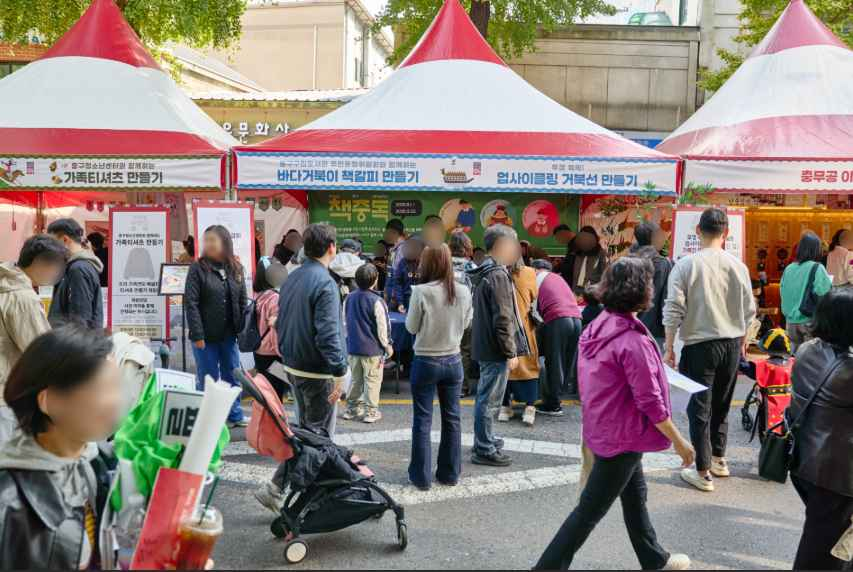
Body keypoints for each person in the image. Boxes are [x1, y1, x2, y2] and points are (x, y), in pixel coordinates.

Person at [534, 257, 693, 571]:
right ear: (643, 290)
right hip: (623, 435)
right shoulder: (633, 340)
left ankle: (654, 559)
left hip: (604, 429)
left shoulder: (598, 325)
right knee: (588, 513)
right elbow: (651, 401)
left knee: (635, 495)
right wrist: (679, 441)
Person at [0, 325, 120, 569]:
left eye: (116, 386)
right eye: (100, 389)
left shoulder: (100, 465)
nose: (114, 401)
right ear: (49, 401)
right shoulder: (7, 500)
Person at [662, 208, 756, 492]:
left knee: (699, 408)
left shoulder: (686, 265)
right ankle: (718, 459)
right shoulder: (738, 266)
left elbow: (673, 309)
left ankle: (702, 472)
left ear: (698, 232)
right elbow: (749, 310)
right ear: (725, 233)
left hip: (699, 344)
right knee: (722, 403)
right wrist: (743, 343)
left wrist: (669, 347)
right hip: (731, 343)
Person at [787, 288, 853, 570]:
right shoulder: (847, 371)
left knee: (827, 537)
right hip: (835, 474)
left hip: (805, 462)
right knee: (819, 550)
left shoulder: (807, 350)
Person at [405, 244, 472, 490]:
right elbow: (466, 324)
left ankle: (421, 477)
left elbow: (411, 328)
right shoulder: (463, 290)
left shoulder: (421, 291)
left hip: (425, 359)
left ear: (427, 263)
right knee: (452, 418)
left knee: (422, 419)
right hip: (453, 360)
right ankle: (449, 474)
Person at [277, 223, 348, 436]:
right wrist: (339, 372)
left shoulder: (291, 277)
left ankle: (302, 468)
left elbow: (280, 320)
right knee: (319, 438)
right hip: (317, 371)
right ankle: (311, 470)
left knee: (305, 431)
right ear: (331, 248)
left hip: (292, 364)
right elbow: (327, 334)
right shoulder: (326, 283)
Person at [468, 225, 528, 467]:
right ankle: (484, 448)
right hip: (495, 348)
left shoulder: (486, 271)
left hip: (485, 345)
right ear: (500, 246)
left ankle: (485, 439)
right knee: (490, 399)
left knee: (486, 397)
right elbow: (503, 318)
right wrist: (510, 351)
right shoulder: (498, 275)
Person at [0, 235, 67, 444]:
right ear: (39, 262)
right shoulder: (23, 297)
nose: (57, 275)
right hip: (7, 396)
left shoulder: (6, 284)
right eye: (56, 268)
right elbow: (41, 351)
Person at [184, 225, 248, 428]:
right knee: (208, 377)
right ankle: (210, 419)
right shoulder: (197, 268)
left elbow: (242, 300)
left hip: (229, 334)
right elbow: (191, 303)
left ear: (225, 242)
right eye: (206, 240)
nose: (209, 244)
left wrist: (242, 329)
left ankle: (235, 414)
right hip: (205, 336)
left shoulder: (235, 268)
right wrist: (197, 334)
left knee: (232, 373)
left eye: (213, 240)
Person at [531, 259, 582, 417]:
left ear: (535, 269)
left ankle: (552, 404)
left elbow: (532, 310)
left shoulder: (536, 278)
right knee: (566, 361)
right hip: (577, 319)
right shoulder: (558, 278)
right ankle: (557, 397)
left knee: (554, 360)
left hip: (558, 319)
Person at [343, 263, 393, 424]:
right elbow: (383, 327)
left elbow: (345, 322)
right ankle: (371, 411)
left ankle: (351, 409)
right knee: (372, 380)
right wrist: (387, 345)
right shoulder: (377, 300)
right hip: (372, 350)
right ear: (375, 280)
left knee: (356, 379)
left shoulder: (348, 298)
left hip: (353, 347)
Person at [501, 256, 540, 427]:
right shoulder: (530, 273)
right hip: (524, 328)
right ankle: (530, 408)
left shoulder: (496, 274)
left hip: (503, 328)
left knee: (505, 367)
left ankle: (505, 407)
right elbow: (534, 296)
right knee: (529, 366)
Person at [47, 218, 104, 329]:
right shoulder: (76, 266)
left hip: (75, 343)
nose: (50, 249)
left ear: (64, 240)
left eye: (52, 243)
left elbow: (80, 319)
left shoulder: (78, 269)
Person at [780, 231, 832, 350]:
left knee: (794, 358)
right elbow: (825, 293)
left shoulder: (789, 268)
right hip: (809, 320)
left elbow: (782, 291)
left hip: (790, 321)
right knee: (811, 359)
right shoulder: (817, 267)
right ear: (816, 250)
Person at [629, 221, 672, 349]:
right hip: (654, 329)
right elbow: (665, 298)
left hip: (629, 324)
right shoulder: (662, 264)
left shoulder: (628, 260)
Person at [253, 256, 289, 399]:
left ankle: (266, 420)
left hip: (259, 350)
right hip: (273, 353)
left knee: (265, 392)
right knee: (276, 393)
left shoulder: (258, 295)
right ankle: (274, 421)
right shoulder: (274, 298)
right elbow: (274, 330)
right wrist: (281, 352)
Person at [449, 231, 477, 395]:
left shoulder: (442, 265)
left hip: (445, 315)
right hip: (468, 315)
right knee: (465, 351)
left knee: (446, 349)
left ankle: (447, 385)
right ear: (468, 247)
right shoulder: (472, 268)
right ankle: (462, 387)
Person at [561, 226, 608, 297]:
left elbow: (605, 273)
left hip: (592, 291)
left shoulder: (601, 253)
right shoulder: (577, 251)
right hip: (575, 290)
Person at [390, 235, 424, 313]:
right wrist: (400, 303)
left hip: (421, 301)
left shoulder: (426, 262)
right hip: (405, 301)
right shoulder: (403, 262)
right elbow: (398, 283)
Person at [383, 218, 406, 303]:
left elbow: (398, 274)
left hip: (395, 297)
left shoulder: (402, 249)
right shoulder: (394, 249)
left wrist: (394, 294)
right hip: (391, 294)